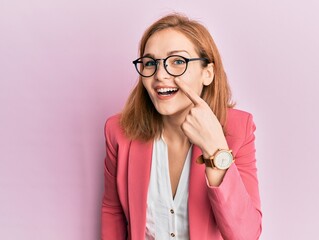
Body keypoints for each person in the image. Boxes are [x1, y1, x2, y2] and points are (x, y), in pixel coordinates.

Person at [101, 13, 262, 240]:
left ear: (207, 73)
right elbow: (113, 211)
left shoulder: (239, 128)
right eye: (150, 63)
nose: (160, 75)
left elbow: (245, 235)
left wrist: (215, 149)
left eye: (178, 61)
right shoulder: (118, 131)